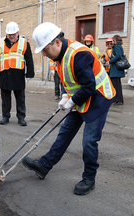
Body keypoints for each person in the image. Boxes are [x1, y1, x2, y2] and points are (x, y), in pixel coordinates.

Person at [22, 22, 116, 195]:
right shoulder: (59, 56)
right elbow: (70, 80)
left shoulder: (78, 55)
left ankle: (89, 179)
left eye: (45, 49)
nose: (44, 54)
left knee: (89, 141)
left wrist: (72, 101)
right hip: (82, 97)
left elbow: (89, 87)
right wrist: (66, 95)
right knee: (64, 133)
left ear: (57, 42)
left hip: (99, 98)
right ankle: (44, 166)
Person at [0, 22, 35, 126]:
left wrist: (30, 74)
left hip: (18, 75)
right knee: (5, 99)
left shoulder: (24, 43)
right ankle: (5, 116)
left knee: (20, 98)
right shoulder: (0, 43)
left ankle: (21, 117)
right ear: (6, 33)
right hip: (5, 75)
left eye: (14, 34)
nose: (12, 36)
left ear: (18, 32)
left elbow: (29, 59)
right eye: (10, 34)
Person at [105, 35, 125, 105]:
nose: (112, 41)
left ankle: (118, 100)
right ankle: (118, 100)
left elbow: (118, 56)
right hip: (116, 70)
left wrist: (110, 61)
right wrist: (111, 57)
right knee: (117, 85)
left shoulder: (117, 47)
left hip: (115, 70)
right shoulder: (118, 46)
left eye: (113, 40)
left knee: (116, 85)